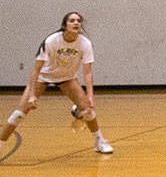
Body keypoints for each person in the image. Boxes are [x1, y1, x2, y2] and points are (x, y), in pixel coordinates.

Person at [1, 12, 114, 155]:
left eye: (78, 21)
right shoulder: (51, 41)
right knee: (20, 113)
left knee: (87, 110)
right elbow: (36, 69)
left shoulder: (85, 43)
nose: (76, 23)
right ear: (64, 25)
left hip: (66, 78)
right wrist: (32, 96)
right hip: (43, 77)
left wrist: (90, 96)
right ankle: (0, 142)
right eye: (72, 20)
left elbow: (87, 73)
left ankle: (99, 142)